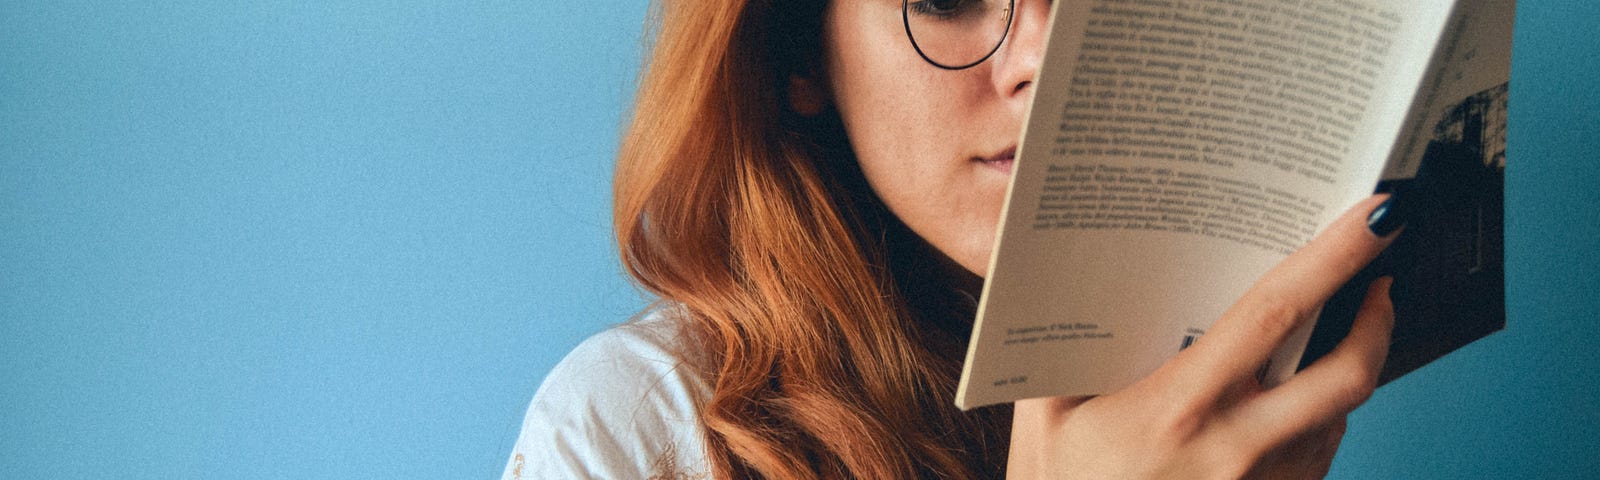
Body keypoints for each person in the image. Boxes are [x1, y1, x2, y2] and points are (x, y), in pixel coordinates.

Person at [503, 0, 1404, 478]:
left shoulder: (1209, 387)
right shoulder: (643, 426)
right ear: (799, 57)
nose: (1048, 61)